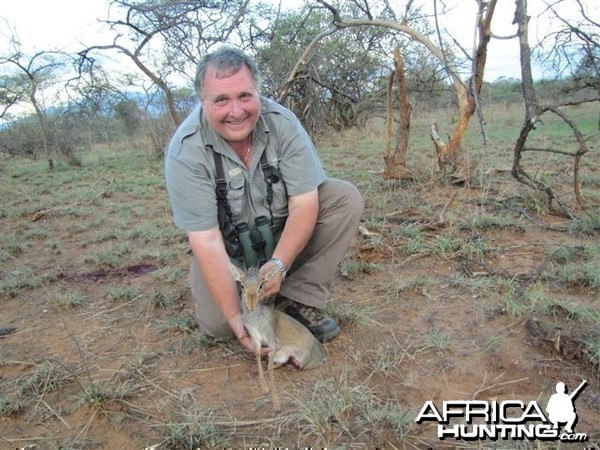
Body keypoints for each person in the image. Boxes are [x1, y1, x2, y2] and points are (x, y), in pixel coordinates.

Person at [164, 45, 363, 355]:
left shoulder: (282, 123)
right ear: (202, 102)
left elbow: (304, 203)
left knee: (342, 197)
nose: (236, 111)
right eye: (221, 100)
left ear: (258, 91)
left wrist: (280, 265)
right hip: (230, 256)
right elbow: (205, 240)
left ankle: (298, 298)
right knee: (220, 326)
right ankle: (255, 302)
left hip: (282, 239)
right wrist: (233, 316)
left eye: (245, 96)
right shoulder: (185, 150)